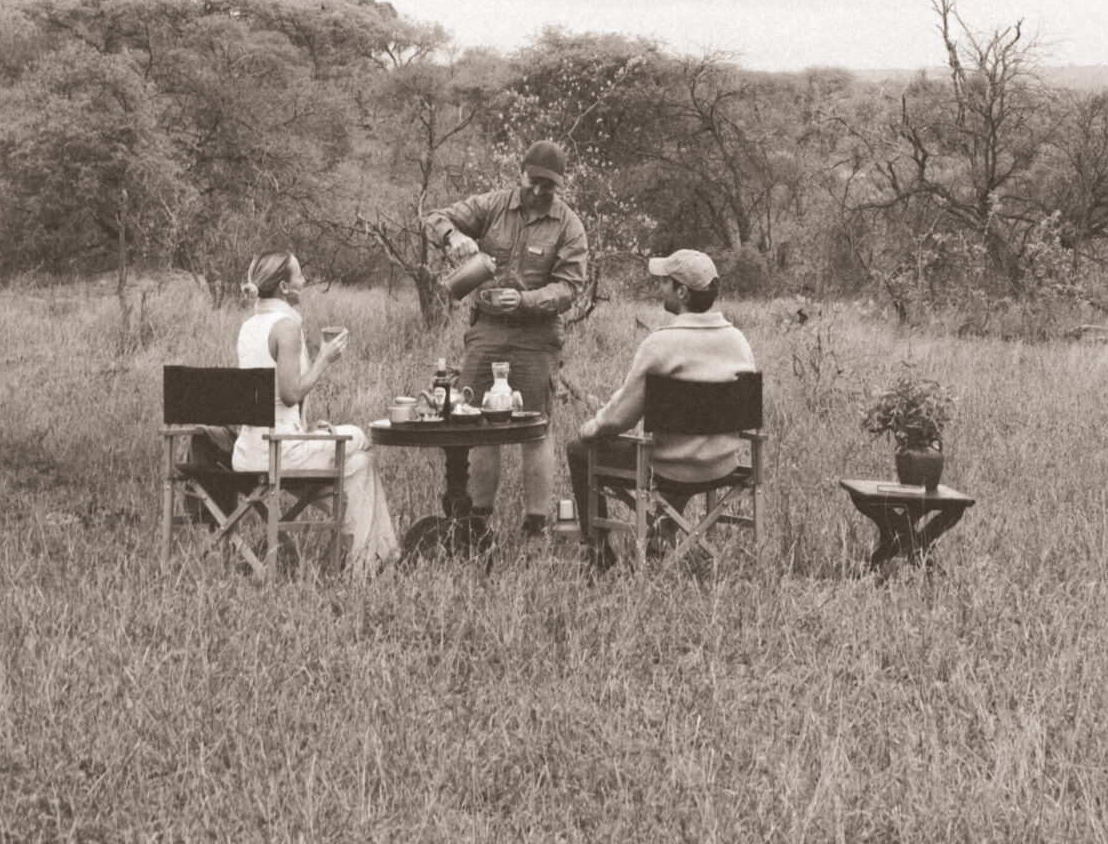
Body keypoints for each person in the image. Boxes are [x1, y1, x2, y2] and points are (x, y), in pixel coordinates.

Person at [424, 141, 589, 544]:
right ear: (521, 174)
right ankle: (479, 521)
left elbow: (570, 287)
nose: (538, 191)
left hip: (537, 335)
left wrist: (526, 300)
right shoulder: (493, 205)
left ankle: (536, 524)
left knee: (535, 426)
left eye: (548, 186)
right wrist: (452, 239)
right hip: (487, 330)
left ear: (559, 186)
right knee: (479, 422)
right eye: (533, 181)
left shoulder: (569, 225)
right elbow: (434, 218)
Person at [568, 247, 755, 562]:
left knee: (579, 449)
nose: (660, 287)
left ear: (682, 291)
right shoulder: (738, 340)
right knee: (682, 440)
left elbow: (620, 418)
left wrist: (593, 426)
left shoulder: (660, 343)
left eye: (665, 282)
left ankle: (599, 551)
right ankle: (660, 533)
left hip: (672, 468)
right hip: (723, 465)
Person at [232, 249, 399, 573]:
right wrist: (325, 358)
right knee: (359, 436)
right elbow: (290, 394)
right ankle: (370, 564)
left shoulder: (249, 326)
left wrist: (309, 430)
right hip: (278, 453)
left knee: (360, 465)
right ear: (284, 286)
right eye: (299, 275)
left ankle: (373, 564)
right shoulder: (285, 326)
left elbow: (272, 403)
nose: (304, 280)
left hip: (249, 451)